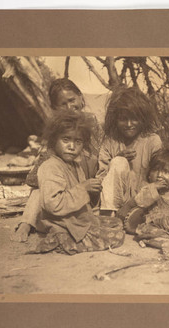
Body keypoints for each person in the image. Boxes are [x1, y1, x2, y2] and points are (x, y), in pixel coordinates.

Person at [12, 78, 102, 242]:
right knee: (42, 184)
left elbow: (103, 154)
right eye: (62, 104)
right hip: (65, 190)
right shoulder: (57, 133)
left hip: (91, 184)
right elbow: (33, 179)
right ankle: (26, 223)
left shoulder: (93, 123)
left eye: (72, 100)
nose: (69, 107)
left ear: (81, 98)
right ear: (54, 108)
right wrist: (52, 158)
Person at [32, 110, 124, 255]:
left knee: (117, 223)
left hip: (76, 220)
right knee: (117, 237)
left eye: (78, 142)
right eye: (66, 140)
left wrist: (91, 191)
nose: (72, 146)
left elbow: (80, 200)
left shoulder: (75, 165)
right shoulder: (50, 167)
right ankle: (60, 241)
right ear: (54, 140)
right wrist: (83, 188)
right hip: (62, 225)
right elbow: (52, 204)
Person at [97, 86, 162, 215]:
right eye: (123, 119)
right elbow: (100, 178)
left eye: (134, 119)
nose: (129, 124)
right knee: (118, 162)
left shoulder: (152, 141)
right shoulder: (110, 142)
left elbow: (159, 177)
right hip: (115, 203)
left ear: (143, 118)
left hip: (143, 201)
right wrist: (116, 160)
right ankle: (110, 215)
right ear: (115, 119)